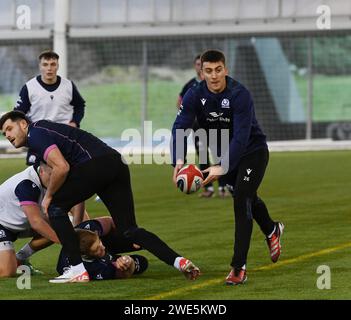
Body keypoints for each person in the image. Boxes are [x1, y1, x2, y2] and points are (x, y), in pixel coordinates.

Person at [0, 111, 200, 284]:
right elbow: (75, 188)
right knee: (129, 230)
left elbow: (62, 167)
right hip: (115, 163)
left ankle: (77, 270)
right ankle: (179, 261)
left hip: (94, 165)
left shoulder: (36, 133)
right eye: (4, 133)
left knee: (54, 208)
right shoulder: (44, 132)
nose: (7, 135)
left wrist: (49, 197)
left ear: (24, 124)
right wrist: (76, 225)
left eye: (9, 128)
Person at [171, 49, 284, 285]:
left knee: (241, 197)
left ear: (226, 69)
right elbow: (180, 127)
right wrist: (178, 162)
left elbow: (241, 139)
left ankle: (238, 267)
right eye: (208, 71)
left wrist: (221, 168)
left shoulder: (240, 94)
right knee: (248, 195)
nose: (214, 76)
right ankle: (272, 230)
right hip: (225, 151)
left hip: (252, 151)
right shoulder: (193, 94)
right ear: (201, 72)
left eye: (218, 70)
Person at [14, 50, 88, 223]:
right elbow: (19, 113)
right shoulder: (30, 87)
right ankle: (44, 216)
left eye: (53, 64)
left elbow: (80, 105)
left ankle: (79, 224)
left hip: (64, 139)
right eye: (45, 64)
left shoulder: (68, 86)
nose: (49, 68)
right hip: (40, 140)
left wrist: (75, 122)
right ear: (40, 66)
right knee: (40, 181)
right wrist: (25, 133)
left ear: (58, 65)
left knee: (71, 180)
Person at [177, 55, 230, 198]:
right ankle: (208, 189)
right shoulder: (190, 85)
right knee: (202, 157)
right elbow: (180, 101)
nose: (199, 66)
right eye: (197, 64)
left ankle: (224, 187)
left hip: (216, 127)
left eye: (201, 64)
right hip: (198, 128)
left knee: (219, 155)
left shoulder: (215, 84)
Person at [0, 163, 59, 278]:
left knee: (61, 227)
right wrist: (67, 243)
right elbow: (36, 223)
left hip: (19, 223)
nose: (54, 180)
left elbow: (76, 207)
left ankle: (20, 259)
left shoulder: (58, 179)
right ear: (41, 171)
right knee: (7, 272)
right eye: (51, 175)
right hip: (2, 224)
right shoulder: (27, 184)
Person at [56, 216, 149, 280]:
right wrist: (128, 263)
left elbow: (110, 221)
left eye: (99, 242)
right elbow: (121, 274)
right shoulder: (90, 269)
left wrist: (130, 234)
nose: (103, 247)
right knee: (141, 263)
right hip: (101, 262)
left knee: (142, 240)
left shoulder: (87, 229)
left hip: (109, 240)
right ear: (85, 255)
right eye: (97, 249)